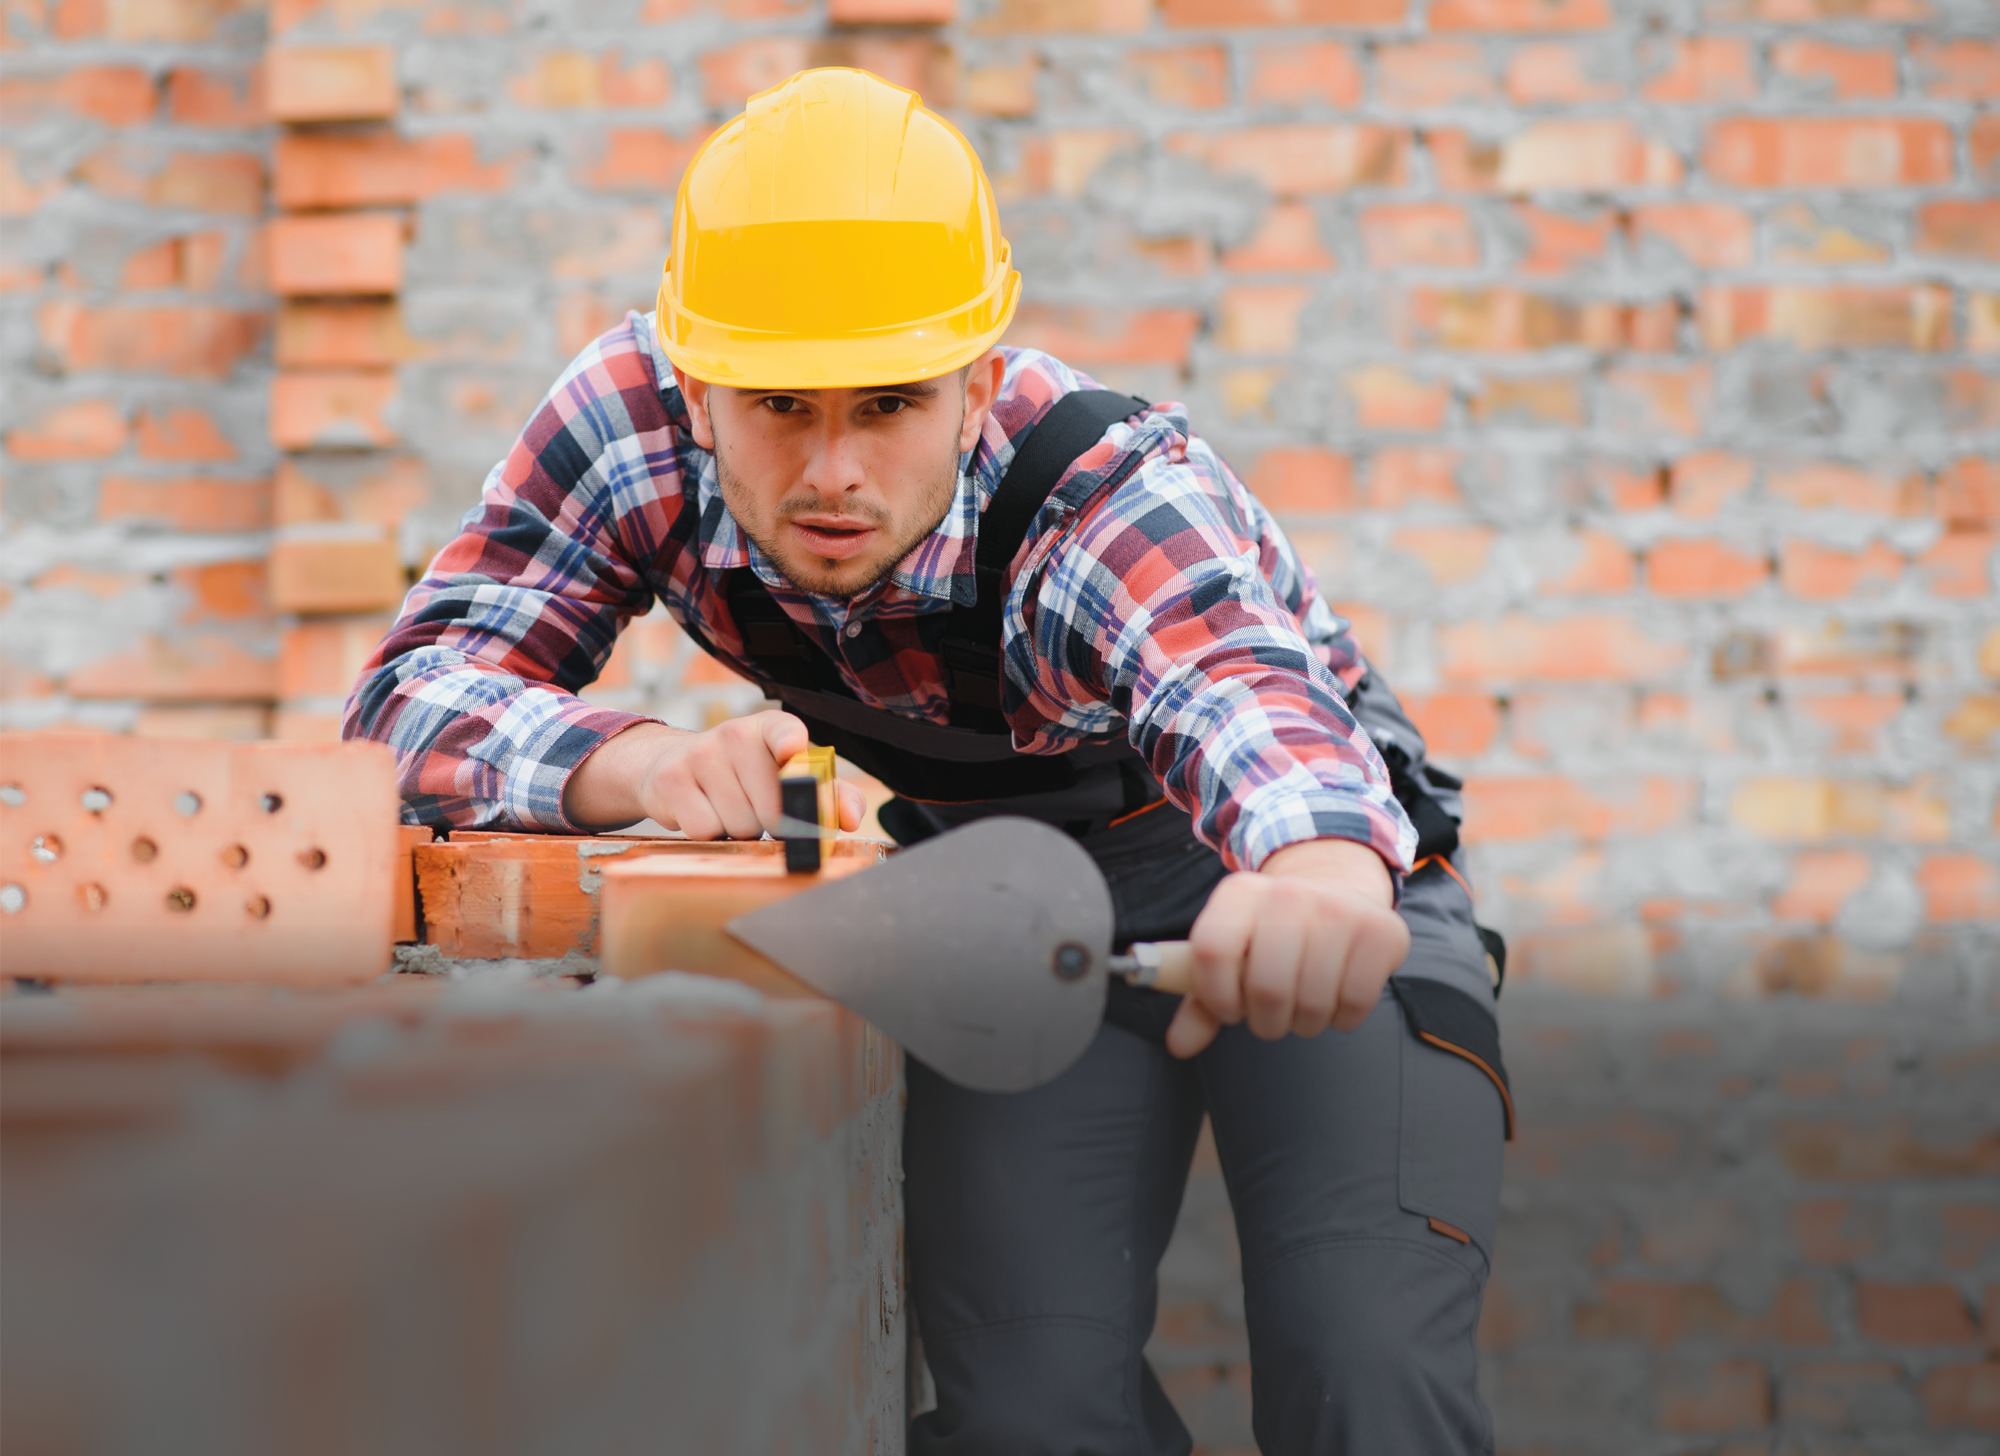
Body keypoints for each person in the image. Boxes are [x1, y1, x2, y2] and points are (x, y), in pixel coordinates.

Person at [346, 67, 1510, 1456]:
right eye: (781, 406)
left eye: (888, 405)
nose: (832, 471)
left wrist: (1320, 870)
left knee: (1361, 1369)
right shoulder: (626, 427)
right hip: (1008, 925)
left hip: (1305, 905)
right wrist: (640, 760)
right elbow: (411, 696)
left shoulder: (1098, 487)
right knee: (1026, 1415)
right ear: (697, 383)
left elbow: (1238, 690)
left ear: (977, 386)